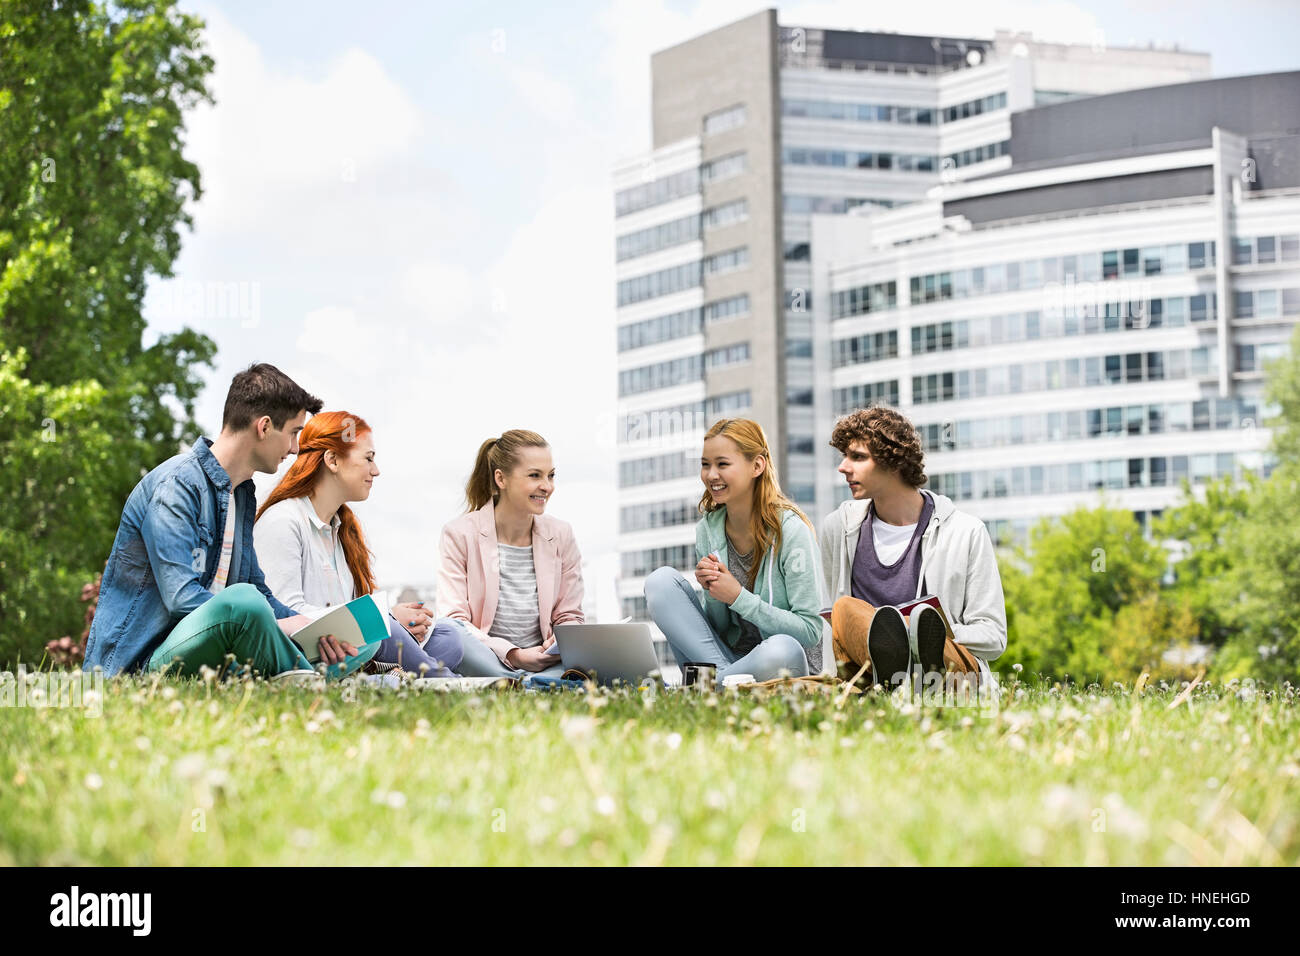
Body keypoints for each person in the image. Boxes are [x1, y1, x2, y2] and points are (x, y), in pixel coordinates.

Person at [84, 363, 362, 682]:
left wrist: (310, 626)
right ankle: (304, 679)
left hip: (213, 657)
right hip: (139, 666)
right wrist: (276, 625)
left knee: (353, 638)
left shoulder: (241, 495)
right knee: (243, 603)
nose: (295, 448)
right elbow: (183, 598)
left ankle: (306, 672)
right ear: (265, 426)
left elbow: (260, 592)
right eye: (294, 433)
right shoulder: (177, 486)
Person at [254, 410, 465, 680]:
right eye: (368, 459)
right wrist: (382, 621)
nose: (375, 471)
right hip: (303, 652)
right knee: (384, 627)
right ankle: (445, 681)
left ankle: (392, 673)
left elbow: (350, 608)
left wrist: (388, 619)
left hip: (347, 645)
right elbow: (286, 614)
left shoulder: (341, 528)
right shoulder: (283, 521)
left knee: (449, 637)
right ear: (332, 460)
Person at [819, 405, 1006, 691]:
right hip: (865, 674)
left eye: (857, 457)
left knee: (920, 637)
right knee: (845, 610)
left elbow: (993, 636)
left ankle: (912, 682)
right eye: (845, 456)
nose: (843, 467)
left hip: (947, 672)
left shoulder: (966, 532)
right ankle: (896, 686)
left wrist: (919, 632)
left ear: (893, 462)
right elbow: (828, 623)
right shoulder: (838, 528)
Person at [643, 418, 823, 686]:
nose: (711, 475)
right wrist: (714, 594)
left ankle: (698, 690)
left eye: (723, 464)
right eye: (705, 464)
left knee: (781, 647)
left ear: (757, 465)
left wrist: (738, 597)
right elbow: (717, 631)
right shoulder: (708, 530)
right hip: (727, 659)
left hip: (780, 664)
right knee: (660, 581)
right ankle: (721, 687)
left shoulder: (792, 531)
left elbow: (810, 631)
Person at [437, 429, 583, 680]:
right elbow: (455, 619)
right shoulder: (458, 534)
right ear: (501, 479)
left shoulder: (561, 534)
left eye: (551, 476)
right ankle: (525, 683)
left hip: (544, 662)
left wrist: (556, 642)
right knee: (450, 630)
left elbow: (570, 615)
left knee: (587, 661)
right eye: (534, 475)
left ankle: (528, 683)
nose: (546, 487)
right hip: (486, 658)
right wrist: (513, 654)